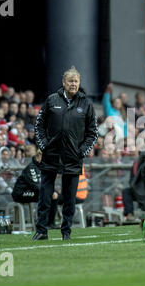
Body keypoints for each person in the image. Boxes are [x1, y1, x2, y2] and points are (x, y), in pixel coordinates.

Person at [33, 66, 98, 241]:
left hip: (73, 157)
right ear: (63, 83)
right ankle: (41, 230)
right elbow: (38, 124)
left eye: (76, 81)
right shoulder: (51, 100)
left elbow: (93, 132)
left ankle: (66, 232)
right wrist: (44, 145)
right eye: (70, 81)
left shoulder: (86, 104)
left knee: (70, 198)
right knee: (45, 195)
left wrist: (81, 151)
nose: (73, 84)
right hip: (51, 155)